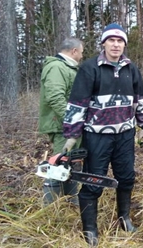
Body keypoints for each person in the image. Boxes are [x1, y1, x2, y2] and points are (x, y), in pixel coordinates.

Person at [62, 23, 143, 246]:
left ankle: (124, 218)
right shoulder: (90, 68)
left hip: (124, 134)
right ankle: (90, 230)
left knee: (126, 178)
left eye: (120, 40)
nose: (115, 44)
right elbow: (77, 104)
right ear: (103, 43)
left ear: (124, 44)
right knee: (94, 181)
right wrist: (71, 136)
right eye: (111, 40)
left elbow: (141, 99)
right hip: (97, 136)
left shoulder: (131, 68)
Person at [38, 37, 84, 206]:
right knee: (59, 164)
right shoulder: (57, 67)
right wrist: (72, 121)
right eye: (81, 52)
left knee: (70, 163)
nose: (81, 56)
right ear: (74, 51)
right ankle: (48, 207)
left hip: (69, 126)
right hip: (62, 126)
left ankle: (71, 201)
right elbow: (55, 97)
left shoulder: (67, 68)